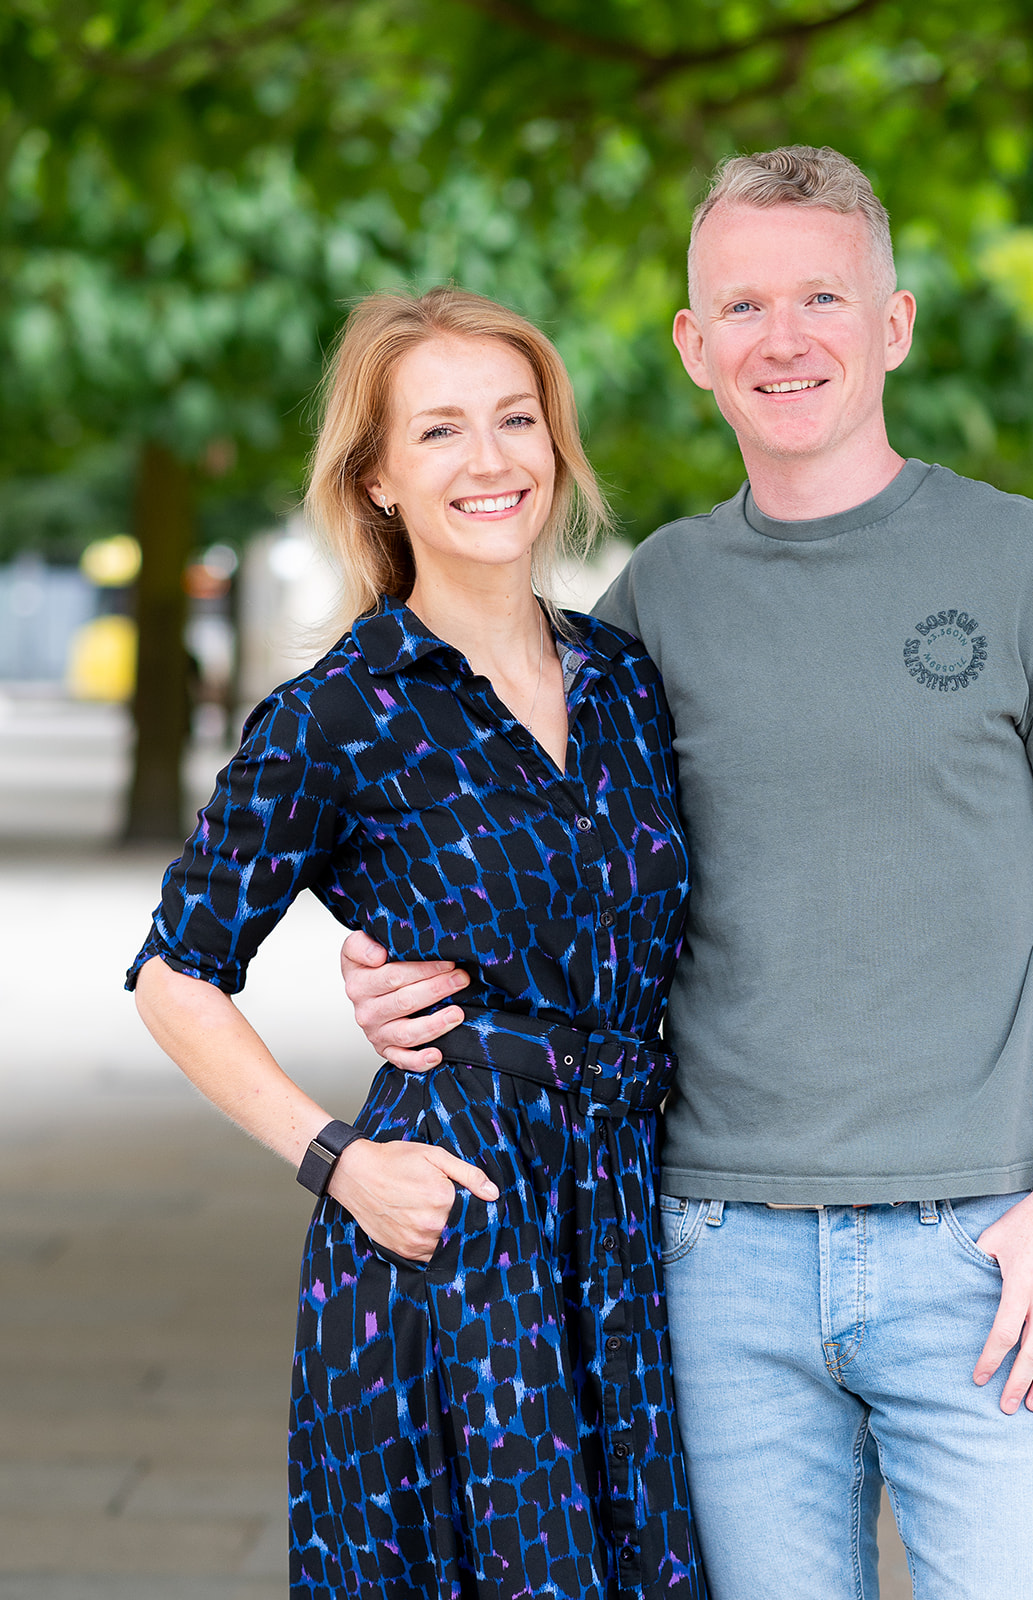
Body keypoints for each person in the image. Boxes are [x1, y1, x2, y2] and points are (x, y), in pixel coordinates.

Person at [341, 147, 1033, 1600]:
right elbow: (549, 859)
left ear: (894, 324)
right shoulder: (652, 602)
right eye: (742, 306)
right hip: (715, 1255)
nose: (782, 339)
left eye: (820, 298)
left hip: (985, 1244)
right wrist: (397, 960)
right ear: (694, 346)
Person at [127, 286, 706, 1600]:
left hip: (627, 1215)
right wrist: (338, 1161)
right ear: (380, 476)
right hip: (458, 1231)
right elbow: (174, 977)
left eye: (518, 419)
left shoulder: (624, 682)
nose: (491, 459)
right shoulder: (343, 713)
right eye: (440, 432)